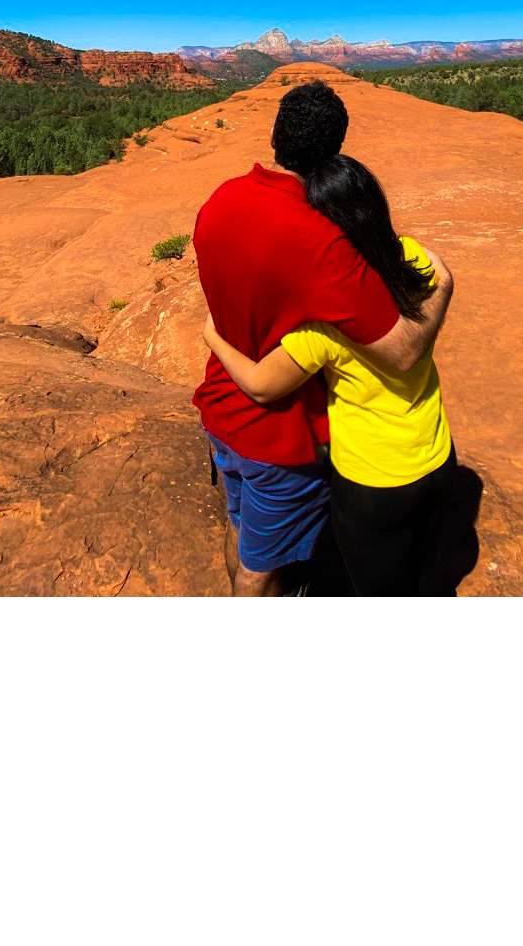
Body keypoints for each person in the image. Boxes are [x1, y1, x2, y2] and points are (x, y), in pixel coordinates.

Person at [193, 80, 453, 597]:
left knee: (241, 531)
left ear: (275, 136)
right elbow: (401, 349)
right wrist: (443, 284)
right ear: (335, 150)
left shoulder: (219, 200)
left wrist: (215, 336)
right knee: (261, 570)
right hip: (280, 436)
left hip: (221, 411)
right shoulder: (322, 241)